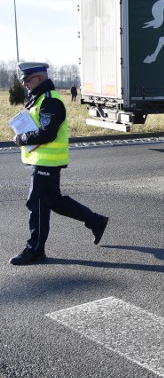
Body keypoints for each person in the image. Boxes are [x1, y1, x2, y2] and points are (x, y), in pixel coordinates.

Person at [9, 62, 109, 265]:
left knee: (36, 204)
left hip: (47, 162)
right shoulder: (39, 99)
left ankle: (35, 250)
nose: (25, 84)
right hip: (43, 160)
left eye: (28, 80)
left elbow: (47, 133)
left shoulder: (50, 101)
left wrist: (22, 139)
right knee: (54, 201)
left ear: (39, 78)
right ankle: (96, 221)